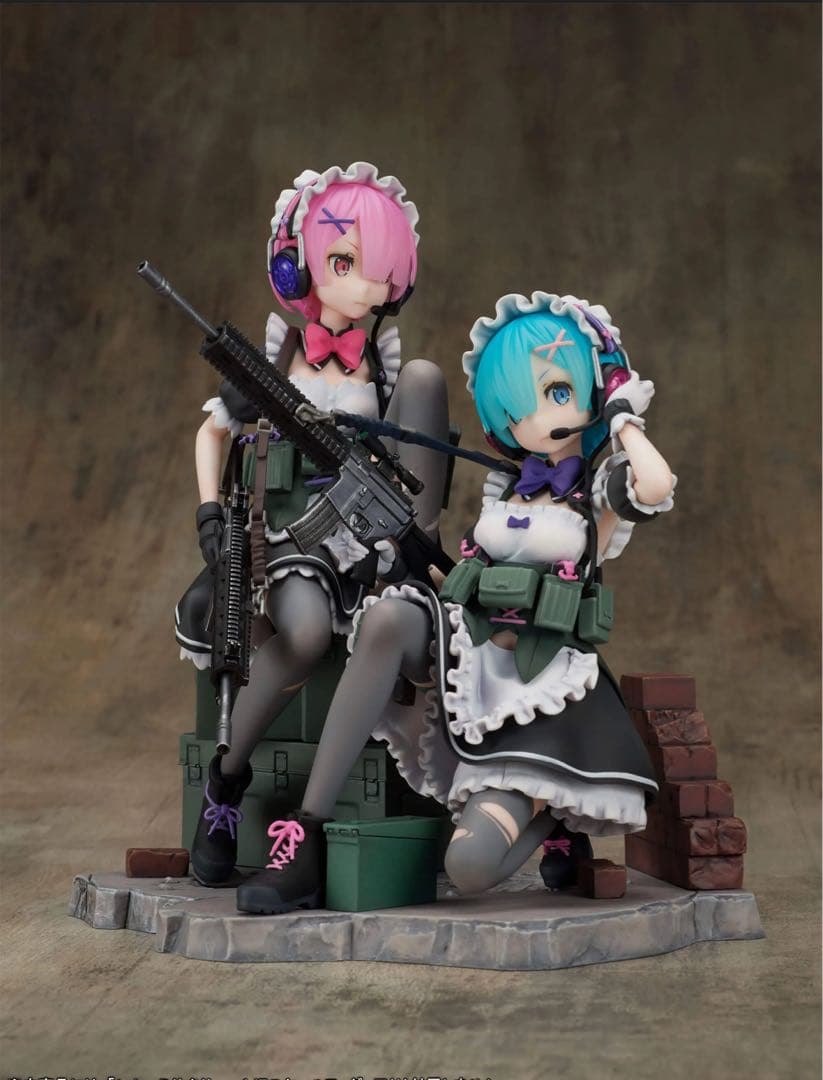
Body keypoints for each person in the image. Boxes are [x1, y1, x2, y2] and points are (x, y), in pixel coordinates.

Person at [242, 291, 676, 913]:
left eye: (557, 392)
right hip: (469, 658)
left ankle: (554, 814)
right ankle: (304, 836)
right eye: (517, 404)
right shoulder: (506, 485)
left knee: (468, 869)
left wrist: (622, 414)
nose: (536, 417)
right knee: (387, 618)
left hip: (538, 692)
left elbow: (654, 484)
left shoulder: (596, 491)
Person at [177, 163, 449, 904]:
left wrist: (408, 545)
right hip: (290, 535)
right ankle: (226, 783)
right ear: (297, 267)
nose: (365, 284)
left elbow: (416, 467)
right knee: (300, 634)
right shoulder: (273, 364)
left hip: (366, 545)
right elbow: (211, 434)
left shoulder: (387, 375)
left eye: (379, 270)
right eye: (346, 262)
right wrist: (209, 512)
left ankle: (306, 831)